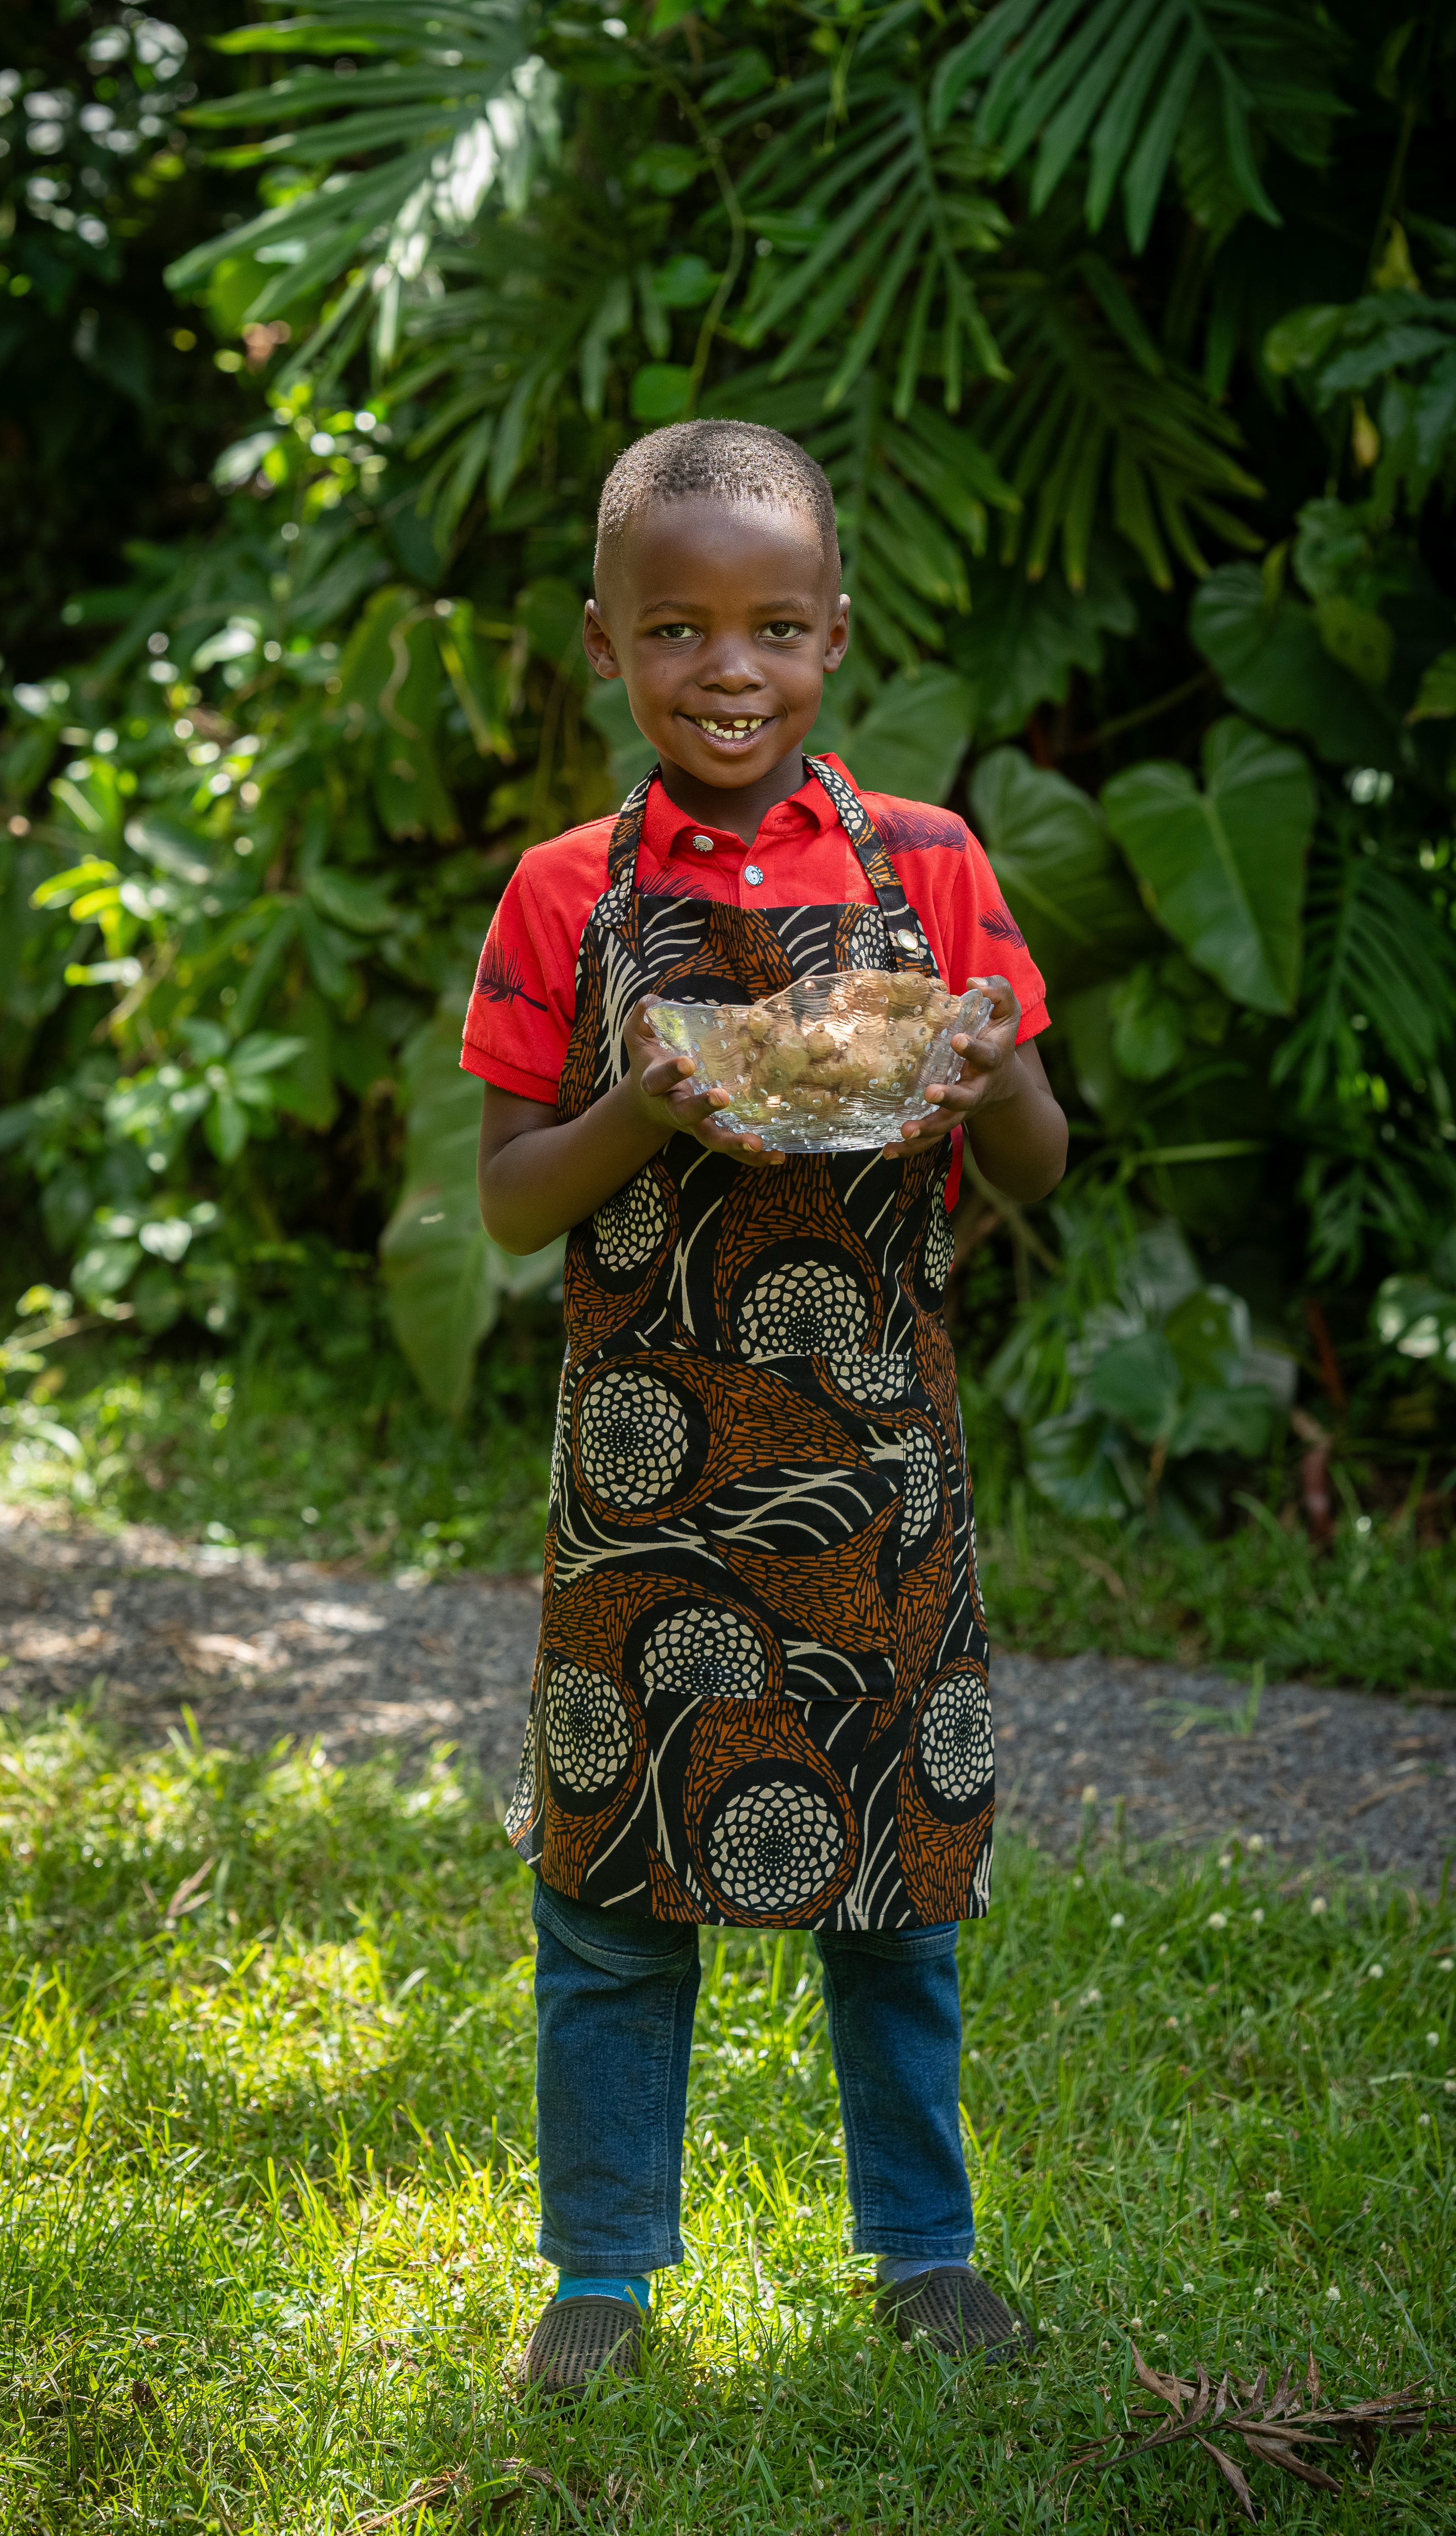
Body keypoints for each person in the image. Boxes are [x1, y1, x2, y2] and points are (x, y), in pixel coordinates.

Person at [463, 419, 1068, 2396]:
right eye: (680, 631)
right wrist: (649, 1102)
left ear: (834, 637)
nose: (731, 671)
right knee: (617, 1888)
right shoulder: (567, 892)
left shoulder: (937, 869)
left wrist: (988, 1072)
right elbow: (507, 1200)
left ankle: (926, 2249)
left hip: (878, 1467)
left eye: (776, 629)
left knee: (895, 1880)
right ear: (608, 645)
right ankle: (603, 2276)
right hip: (647, 1478)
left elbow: (1045, 1163)